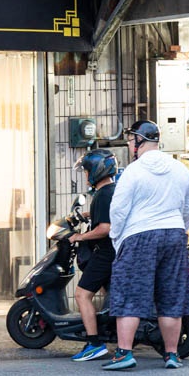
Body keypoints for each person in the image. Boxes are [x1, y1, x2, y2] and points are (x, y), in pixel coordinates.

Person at [103, 120, 189, 371]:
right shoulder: (180, 169)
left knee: (130, 293)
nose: (129, 144)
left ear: (138, 140)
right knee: (171, 295)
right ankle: (172, 355)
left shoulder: (133, 172)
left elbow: (119, 209)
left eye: (130, 140)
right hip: (174, 234)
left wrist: (117, 237)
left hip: (138, 235)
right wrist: (181, 227)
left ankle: (124, 353)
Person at [70, 149, 118, 362]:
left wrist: (80, 237)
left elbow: (105, 228)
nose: (86, 175)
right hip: (116, 251)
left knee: (82, 294)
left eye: (87, 171)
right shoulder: (112, 190)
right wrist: (87, 214)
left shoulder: (103, 194)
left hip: (105, 253)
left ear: (97, 171)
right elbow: (108, 215)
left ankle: (94, 343)